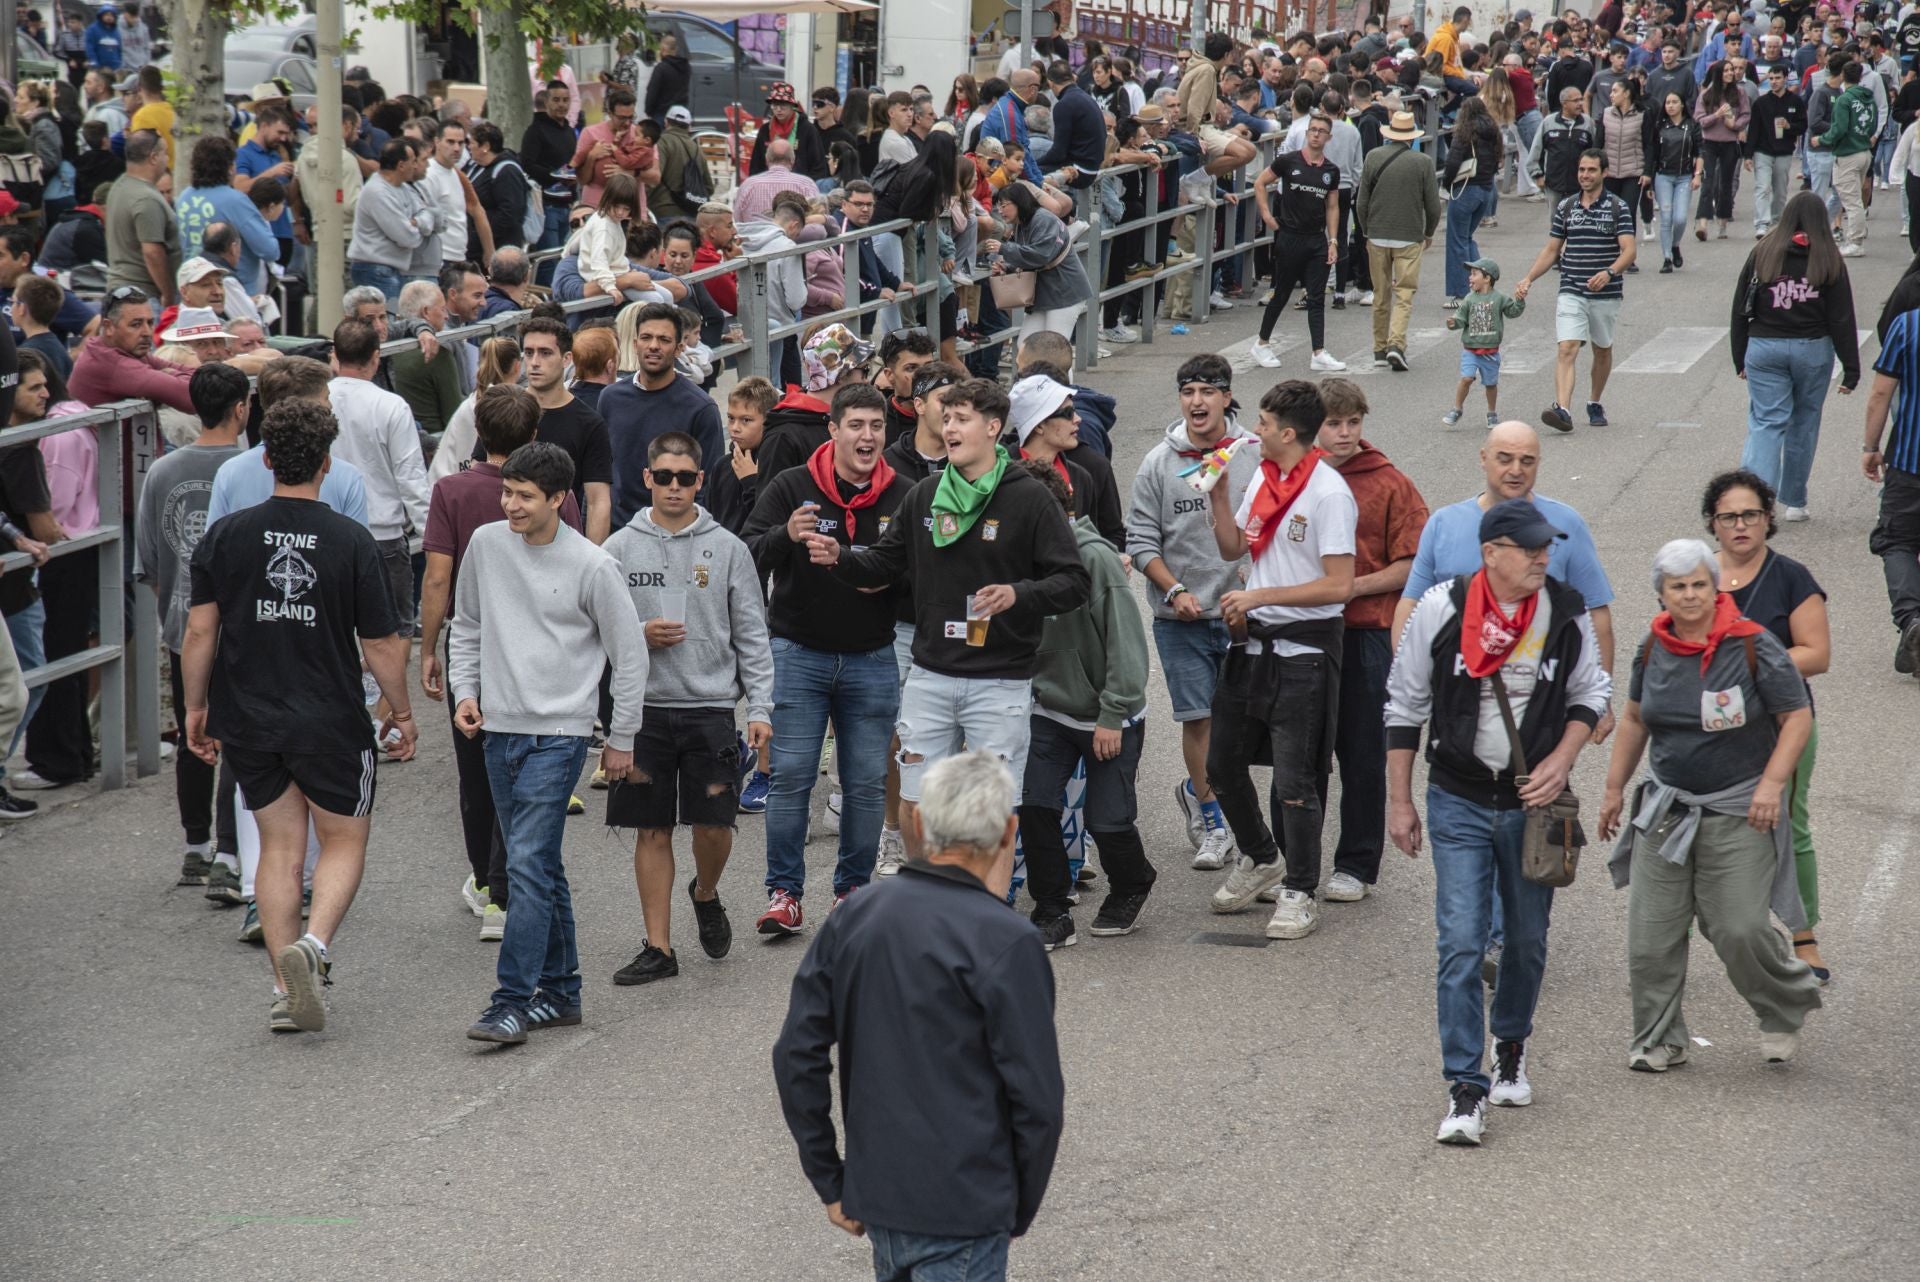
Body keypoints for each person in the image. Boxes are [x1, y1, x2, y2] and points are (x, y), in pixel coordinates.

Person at [772, 750, 1063, 1282]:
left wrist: (830, 1178)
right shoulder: (1008, 940)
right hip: (968, 1202)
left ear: (921, 822)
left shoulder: (856, 916)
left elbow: (797, 1053)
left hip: (881, 1194)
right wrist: (1017, 1202)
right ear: (1008, 832)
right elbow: (1037, 1097)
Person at [181, 398, 417, 1035]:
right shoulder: (351, 539)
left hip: (251, 718)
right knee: (342, 841)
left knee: (278, 848)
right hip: (331, 719)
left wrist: (196, 708)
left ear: (263, 457)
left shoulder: (225, 535)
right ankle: (313, 947)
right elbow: (381, 643)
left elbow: (199, 631)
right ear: (325, 461)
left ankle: (286, 993)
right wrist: (400, 710)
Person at [1385, 499, 1612, 1144]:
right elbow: (1403, 705)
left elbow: (1591, 695)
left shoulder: (1563, 612)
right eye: (1531, 547)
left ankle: (1510, 1042)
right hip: (1456, 797)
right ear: (1492, 554)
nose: (1544, 556)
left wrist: (1564, 759)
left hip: (1531, 805)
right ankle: (1465, 1086)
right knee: (1459, 942)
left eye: (1547, 546)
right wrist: (1399, 802)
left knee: (1526, 939)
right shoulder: (1441, 609)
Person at [803, 378, 1090, 862]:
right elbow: (883, 564)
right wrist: (840, 557)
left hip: (999, 681)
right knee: (916, 807)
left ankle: (980, 916)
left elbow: (1073, 583)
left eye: (963, 419)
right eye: (947, 417)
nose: (949, 427)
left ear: (994, 428)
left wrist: (1017, 594)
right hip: (930, 675)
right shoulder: (926, 495)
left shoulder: (1029, 498)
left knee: (988, 813)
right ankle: (929, 895)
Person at [1597, 538, 1822, 1070]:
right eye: (1678, 587)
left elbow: (1796, 717)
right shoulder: (1651, 648)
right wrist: (1612, 790)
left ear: (1715, 586)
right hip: (1667, 808)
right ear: (1662, 595)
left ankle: (1784, 1006)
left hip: (1741, 808)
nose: (1691, 595)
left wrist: (1772, 785)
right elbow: (1634, 719)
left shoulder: (1752, 644)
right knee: (1650, 937)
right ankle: (1659, 1038)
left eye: (1700, 583)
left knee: (1739, 928)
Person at [452, 440, 647, 1045]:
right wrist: (465, 690)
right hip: (498, 731)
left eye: (524, 496)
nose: (510, 504)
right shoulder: (485, 546)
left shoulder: (592, 565)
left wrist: (621, 738)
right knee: (540, 864)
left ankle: (511, 1000)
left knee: (524, 862)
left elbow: (630, 654)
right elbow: (468, 626)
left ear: (559, 500)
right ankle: (562, 993)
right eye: (507, 492)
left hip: (560, 736)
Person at [601, 430, 772, 986]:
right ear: (647, 479)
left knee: (712, 826)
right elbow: (592, 630)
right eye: (663, 477)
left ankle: (706, 892)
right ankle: (659, 946)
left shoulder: (728, 548)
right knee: (651, 829)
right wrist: (636, 633)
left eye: (686, 478)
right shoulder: (618, 550)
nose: (674, 487)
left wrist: (760, 708)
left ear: (701, 481)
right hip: (644, 709)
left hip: (711, 708)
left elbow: (752, 634)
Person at [742, 383, 912, 935]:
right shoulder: (793, 486)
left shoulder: (904, 495)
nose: (868, 436)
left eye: (877, 426)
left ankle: (852, 892)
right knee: (791, 777)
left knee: (865, 781)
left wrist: (882, 577)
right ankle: (785, 895)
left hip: (871, 656)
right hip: (798, 652)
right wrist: (784, 535)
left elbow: (920, 575)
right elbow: (743, 556)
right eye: (856, 425)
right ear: (833, 430)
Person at [422, 385, 583, 943]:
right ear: (534, 436)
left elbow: (437, 576)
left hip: (474, 642)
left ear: (477, 433)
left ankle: (491, 885)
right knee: (520, 770)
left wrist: (427, 647)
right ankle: (503, 885)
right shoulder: (554, 491)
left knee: (477, 772)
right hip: (537, 643)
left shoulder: (450, 490)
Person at [1198, 381, 1356, 942]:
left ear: (1288, 433)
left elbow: (1340, 584)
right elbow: (1232, 548)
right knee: (1220, 765)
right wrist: (1216, 494)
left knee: (1296, 779)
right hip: (1251, 645)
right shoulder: (1265, 478)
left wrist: (1259, 597)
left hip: (1304, 653)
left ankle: (1300, 892)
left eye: (1262, 423)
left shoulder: (1328, 493)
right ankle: (1262, 856)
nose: (1252, 431)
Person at [1011, 458, 1157, 950]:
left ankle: (1133, 881)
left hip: (1107, 713)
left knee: (1107, 820)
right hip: (1050, 708)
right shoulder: (1018, 558)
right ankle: (1052, 907)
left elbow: (1126, 647)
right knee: (1034, 805)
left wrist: (1113, 714)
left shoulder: (1094, 559)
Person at [1126, 356, 1257, 869]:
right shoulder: (1159, 462)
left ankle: (1210, 795)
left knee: (1243, 726)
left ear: (1227, 397)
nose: (1197, 401)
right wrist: (1173, 588)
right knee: (1199, 719)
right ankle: (1213, 821)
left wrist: (1256, 581)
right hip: (1179, 619)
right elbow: (1140, 540)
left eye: (1209, 391)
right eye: (1189, 391)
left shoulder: (1252, 455)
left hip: (1242, 614)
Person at [1701, 469, 1832, 981]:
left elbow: (1817, 654)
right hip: (1708, 728)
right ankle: (1681, 932)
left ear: (1767, 520)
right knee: (1697, 823)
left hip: (1782, 724)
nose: (1740, 526)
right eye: (1728, 516)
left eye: (1750, 515)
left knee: (1788, 824)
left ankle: (1805, 937)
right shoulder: (1694, 574)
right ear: (1713, 523)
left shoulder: (1791, 577)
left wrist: (1748, 663)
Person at [1313, 381, 1427, 903]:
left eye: (1353, 423)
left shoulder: (1389, 483)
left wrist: (1351, 587)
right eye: (1334, 423)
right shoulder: (1293, 477)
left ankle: (1356, 864)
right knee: (1301, 755)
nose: (1345, 434)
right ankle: (1294, 861)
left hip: (1365, 636)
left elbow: (1413, 565)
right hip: (1304, 634)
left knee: (1361, 755)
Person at [136, 363, 248, 886]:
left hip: (183, 625)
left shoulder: (161, 472)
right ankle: (230, 850)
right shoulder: (252, 469)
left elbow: (153, 564)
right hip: (244, 627)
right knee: (240, 738)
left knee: (191, 734)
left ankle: (195, 845)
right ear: (242, 408)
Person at [1731, 192, 1860, 521]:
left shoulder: (1764, 251)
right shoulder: (1829, 257)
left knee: (1766, 423)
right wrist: (1851, 368)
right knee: (1803, 422)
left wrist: (1739, 356)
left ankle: (1753, 499)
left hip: (1765, 346)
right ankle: (1795, 500)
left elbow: (1739, 307)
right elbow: (1842, 317)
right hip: (1812, 348)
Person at [327, 318, 430, 660]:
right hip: (382, 535)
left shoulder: (318, 399)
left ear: (334, 355)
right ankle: (389, 711)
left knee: (335, 629)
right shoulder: (391, 406)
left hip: (330, 531)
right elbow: (411, 477)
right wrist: (432, 537)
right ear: (376, 356)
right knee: (395, 630)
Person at [1514, 148, 1637, 432]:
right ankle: (1564, 410)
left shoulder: (1617, 207)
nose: (1585, 175)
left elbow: (1629, 251)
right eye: (1582, 170)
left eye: (1591, 170)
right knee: (1567, 348)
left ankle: (1594, 401)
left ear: (1604, 173)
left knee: (1602, 349)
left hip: (1606, 293)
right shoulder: (1566, 207)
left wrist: (1609, 273)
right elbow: (1552, 249)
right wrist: (1528, 278)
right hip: (1571, 287)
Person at [600, 303, 726, 525]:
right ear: (635, 344)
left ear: (679, 349)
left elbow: (709, 488)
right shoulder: (610, 399)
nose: (654, 346)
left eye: (664, 340)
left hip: (675, 533)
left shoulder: (701, 409)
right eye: (646, 338)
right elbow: (598, 475)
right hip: (617, 531)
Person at [1248, 112, 1348, 373]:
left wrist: (1333, 240)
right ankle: (1262, 343)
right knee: (1281, 293)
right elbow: (1260, 182)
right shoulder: (1288, 161)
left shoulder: (1330, 171)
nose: (1316, 134)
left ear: (1328, 136)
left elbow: (1333, 206)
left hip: (1316, 239)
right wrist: (1267, 215)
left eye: (1321, 131)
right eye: (1312, 129)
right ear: (1306, 133)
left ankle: (1319, 352)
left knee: (1316, 297)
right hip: (1289, 236)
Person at [1355, 109, 1443, 372]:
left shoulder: (1372, 157)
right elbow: (1433, 206)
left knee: (1380, 295)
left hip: (1377, 235)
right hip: (1409, 237)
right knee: (1404, 295)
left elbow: (1362, 202)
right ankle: (1396, 344)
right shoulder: (1423, 162)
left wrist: (1366, 231)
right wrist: (1428, 233)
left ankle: (1379, 348)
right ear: (1411, 137)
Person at [1862, 291, 1920, 677]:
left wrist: (1870, 446)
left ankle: (1913, 619)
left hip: (1909, 460)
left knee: (1897, 540)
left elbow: (1881, 392)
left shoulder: (1908, 324)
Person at [985, 180, 1090, 344]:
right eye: (999, 206)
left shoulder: (1043, 219)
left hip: (1065, 290)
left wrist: (1005, 249)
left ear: (1020, 202)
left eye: (1004, 205)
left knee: (1054, 348)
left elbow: (1041, 255)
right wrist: (1006, 267)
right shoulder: (1021, 223)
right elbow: (1030, 258)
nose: (1000, 210)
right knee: (1025, 346)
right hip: (1045, 293)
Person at [67, 285, 194, 413]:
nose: (147, 332)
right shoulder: (111, 362)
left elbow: (199, 377)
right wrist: (170, 374)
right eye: (136, 324)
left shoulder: (122, 349)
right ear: (109, 326)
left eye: (150, 323)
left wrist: (170, 375)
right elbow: (195, 398)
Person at [348, 140, 444, 301]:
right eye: (413, 161)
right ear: (401, 165)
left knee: (394, 322)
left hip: (393, 269)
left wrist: (417, 222)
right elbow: (407, 238)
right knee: (387, 323)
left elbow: (429, 214)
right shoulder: (377, 191)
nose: (416, 166)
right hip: (374, 270)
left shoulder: (404, 188)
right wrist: (415, 225)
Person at [1445, 257, 1527, 426]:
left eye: (1474, 274)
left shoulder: (1499, 298)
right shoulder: (1469, 299)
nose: (1470, 277)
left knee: (1490, 384)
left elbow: (1512, 312)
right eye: (1471, 274)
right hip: (1470, 350)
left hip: (1491, 352)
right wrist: (1453, 323)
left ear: (1487, 278)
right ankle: (1457, 409)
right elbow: (1460, 318)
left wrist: (1519, 300)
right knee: (1466, 378)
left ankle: (1491, 412)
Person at [104, 130, 178, 309]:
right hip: (144, 298)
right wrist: (168, 295)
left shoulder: (120, 186)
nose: (167, 159)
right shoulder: (146, 198)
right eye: (165, 153)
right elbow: (152, 252)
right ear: (153, 157)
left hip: (120, 290)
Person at [1443, 97, 1504, 307]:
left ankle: (1461, 293)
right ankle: (1481, 286)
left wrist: (1446, 184)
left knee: (1457, 241)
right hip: (1485, 189)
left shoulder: (1465, 132)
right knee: (1468, 238)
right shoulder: (1493, 132)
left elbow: (1452, 162)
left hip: (1465, 189)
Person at [1817, 59, 1877, 255]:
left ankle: (1855, 241)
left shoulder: (1845, 99)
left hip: (1848, 153)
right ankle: (1858, 233)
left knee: (1850, 200)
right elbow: (1874, 124)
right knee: (1855, 197)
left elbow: (1839, 128)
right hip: (1864, 150)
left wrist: (1822, 139)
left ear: (1843, 75)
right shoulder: (1868, 97)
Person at [1749, 62, 1807, 238]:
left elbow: (1803, 126)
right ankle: (1762, 223)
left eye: (1777, 78)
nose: (1774, 82)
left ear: (1785, 79)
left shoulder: (1795, 101)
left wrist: (1790, 126)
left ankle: (1777, 221)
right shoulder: (1761, 102)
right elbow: (1753, 130)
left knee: (1780, 190)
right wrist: (1747, 155)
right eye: (1771, 78)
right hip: (1763, 151)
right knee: (1762, 187)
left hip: (1784, 151)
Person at [1649, 90, 1703, 272]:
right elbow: (1652, 155)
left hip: (1684, 176)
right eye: (1667, 102)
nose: (1670, 105)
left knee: (1679, 218)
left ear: (1682, 104)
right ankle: (1666, 259)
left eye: (1674, 102)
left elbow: (1699, 152)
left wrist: (1697, 174)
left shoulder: (1691, 125)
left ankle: (1675, 244)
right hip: (1663, 175)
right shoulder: (1659, 126)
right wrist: (1649, 180)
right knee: (1666, 217)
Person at [1525, 87, 1597, 215]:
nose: (1580, 103)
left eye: (1581, 99)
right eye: (1575, 100)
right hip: (1554, 185)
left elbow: (1596, 152)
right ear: (1564, 103)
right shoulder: (1548, 123)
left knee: (1579, 221)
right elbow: (1535, 152)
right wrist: (1537, 175)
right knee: (1556, 224)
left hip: (1581, 185)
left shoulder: (1588, 123)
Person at [643, 33, 689, 125]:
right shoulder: (686, 66)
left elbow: (652, 90)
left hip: (662, 113)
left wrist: (649, 110)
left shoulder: (661, 68)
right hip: (680, 112)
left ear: (663, 50)